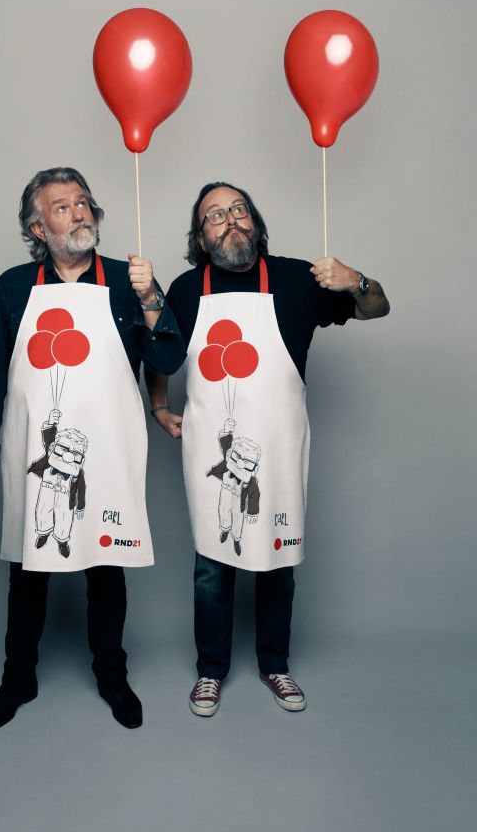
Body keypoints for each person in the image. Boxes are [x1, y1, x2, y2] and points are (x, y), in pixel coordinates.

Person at [146, 181, 389, 717]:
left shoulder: (300, 279)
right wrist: (160, 406)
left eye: (237, 210)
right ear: (201, 238)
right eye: (214, 216)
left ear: (254, 220)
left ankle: (274, 664)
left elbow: (377, 308)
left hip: (277, 449)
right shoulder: (187, 290)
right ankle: (210, 671)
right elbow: (158, 353)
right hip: (214, 451)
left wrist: (356, 280)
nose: (229, 220)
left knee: (279, 560)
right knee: (213, 563)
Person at [0, 166, 184, 732]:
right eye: (62, 207)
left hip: (108, 449)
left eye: (84, 202)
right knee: (28, 571)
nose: (78, 212)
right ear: (38, 227)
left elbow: (164, 363)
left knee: (107, 567)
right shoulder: (11, 287)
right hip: (36, 447)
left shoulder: (127, 282)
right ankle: (18, 680)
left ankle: (113, 676)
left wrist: (152, 296)